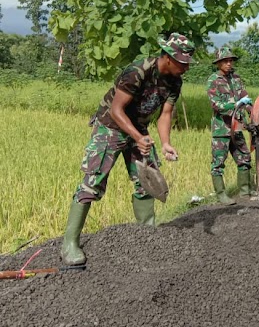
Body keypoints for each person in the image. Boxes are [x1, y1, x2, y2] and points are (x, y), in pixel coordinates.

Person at [60, 32, 195, 266]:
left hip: (138, 128)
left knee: (148, 179)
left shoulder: (175, 81)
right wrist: (137, 137)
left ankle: (147, 234)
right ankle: (69, 243)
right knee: (93, 181)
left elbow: (165, 114)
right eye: (183, 63)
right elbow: (116, 110)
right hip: (110, 126)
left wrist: (165, 143)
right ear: (169, 57)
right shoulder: (137, 71)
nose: (186, 68)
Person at [207, 46, 254, 205]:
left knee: (244, 157)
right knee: (218, 162)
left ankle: (245, 191)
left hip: (237, 127)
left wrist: (251, 110)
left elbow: (244, 96)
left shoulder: (236, 78)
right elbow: (216, 105)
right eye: (225, 61)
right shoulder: (213, 80)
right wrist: (235, 104)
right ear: (218, 63)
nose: (229, 63)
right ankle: (221, 195)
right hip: (222, 128)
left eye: (230, 60)